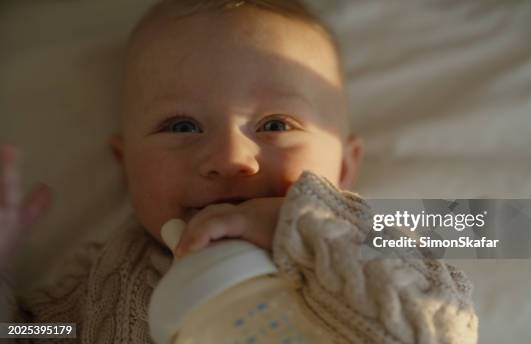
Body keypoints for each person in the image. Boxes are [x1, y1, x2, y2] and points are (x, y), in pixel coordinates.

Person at [0, 1, 477, 342]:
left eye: (275, 124)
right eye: (181, 125)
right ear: (126, 167)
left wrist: (305, 226)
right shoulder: (104, 284)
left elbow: (441, 325)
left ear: (345, 166)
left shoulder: (378, 241)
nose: (230, 157)